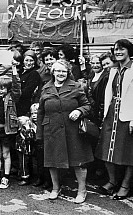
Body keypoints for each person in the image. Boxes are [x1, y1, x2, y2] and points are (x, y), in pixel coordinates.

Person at [37, 60, 93, 204]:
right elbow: (40, 112)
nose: (60, 74)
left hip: (73, 130)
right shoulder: (46, 88)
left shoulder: (76, 87)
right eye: (57, 71)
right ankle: (55, 188)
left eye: (63, 71)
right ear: (53, 72)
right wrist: (39, 133)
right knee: (52, 161)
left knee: (78, 161)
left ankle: (82, 190)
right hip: (52, 130)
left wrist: (79, 110)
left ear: (68, 72)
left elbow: (87, 105)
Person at [95, 39, 133, 200]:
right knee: (107, 149)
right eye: (116, 49)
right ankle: (112, 181)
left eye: (122, 49)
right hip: (112, 114)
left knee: (130, 153)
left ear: (129, 51)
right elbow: (109, 92)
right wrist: (105, 115)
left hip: (128, 116)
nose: (118, 52)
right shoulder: (114, 69)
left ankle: (125, 185)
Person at [0, 66, 21, 189]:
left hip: (7, 130)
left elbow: (17, 88)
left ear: (8, 88)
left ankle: (5, 177)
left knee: (6, 154)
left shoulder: (12, 97)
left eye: (3, 88)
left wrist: (14, 70)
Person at [16, 50, 41, 117]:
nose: (28, 63)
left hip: (25, 106)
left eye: (31, 60)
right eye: (26, 60)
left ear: (35, 61)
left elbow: (27, 92)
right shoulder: (20, 72)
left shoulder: (34, 74)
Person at [16, 111, 37, 186]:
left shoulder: (28, 129)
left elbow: (29, 138)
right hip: (20, 148)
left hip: (25, 149)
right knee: (22, 162)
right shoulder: (21, 129)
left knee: (24, 163)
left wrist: (27, 127)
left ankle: (25, 178)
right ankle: (22, 174)